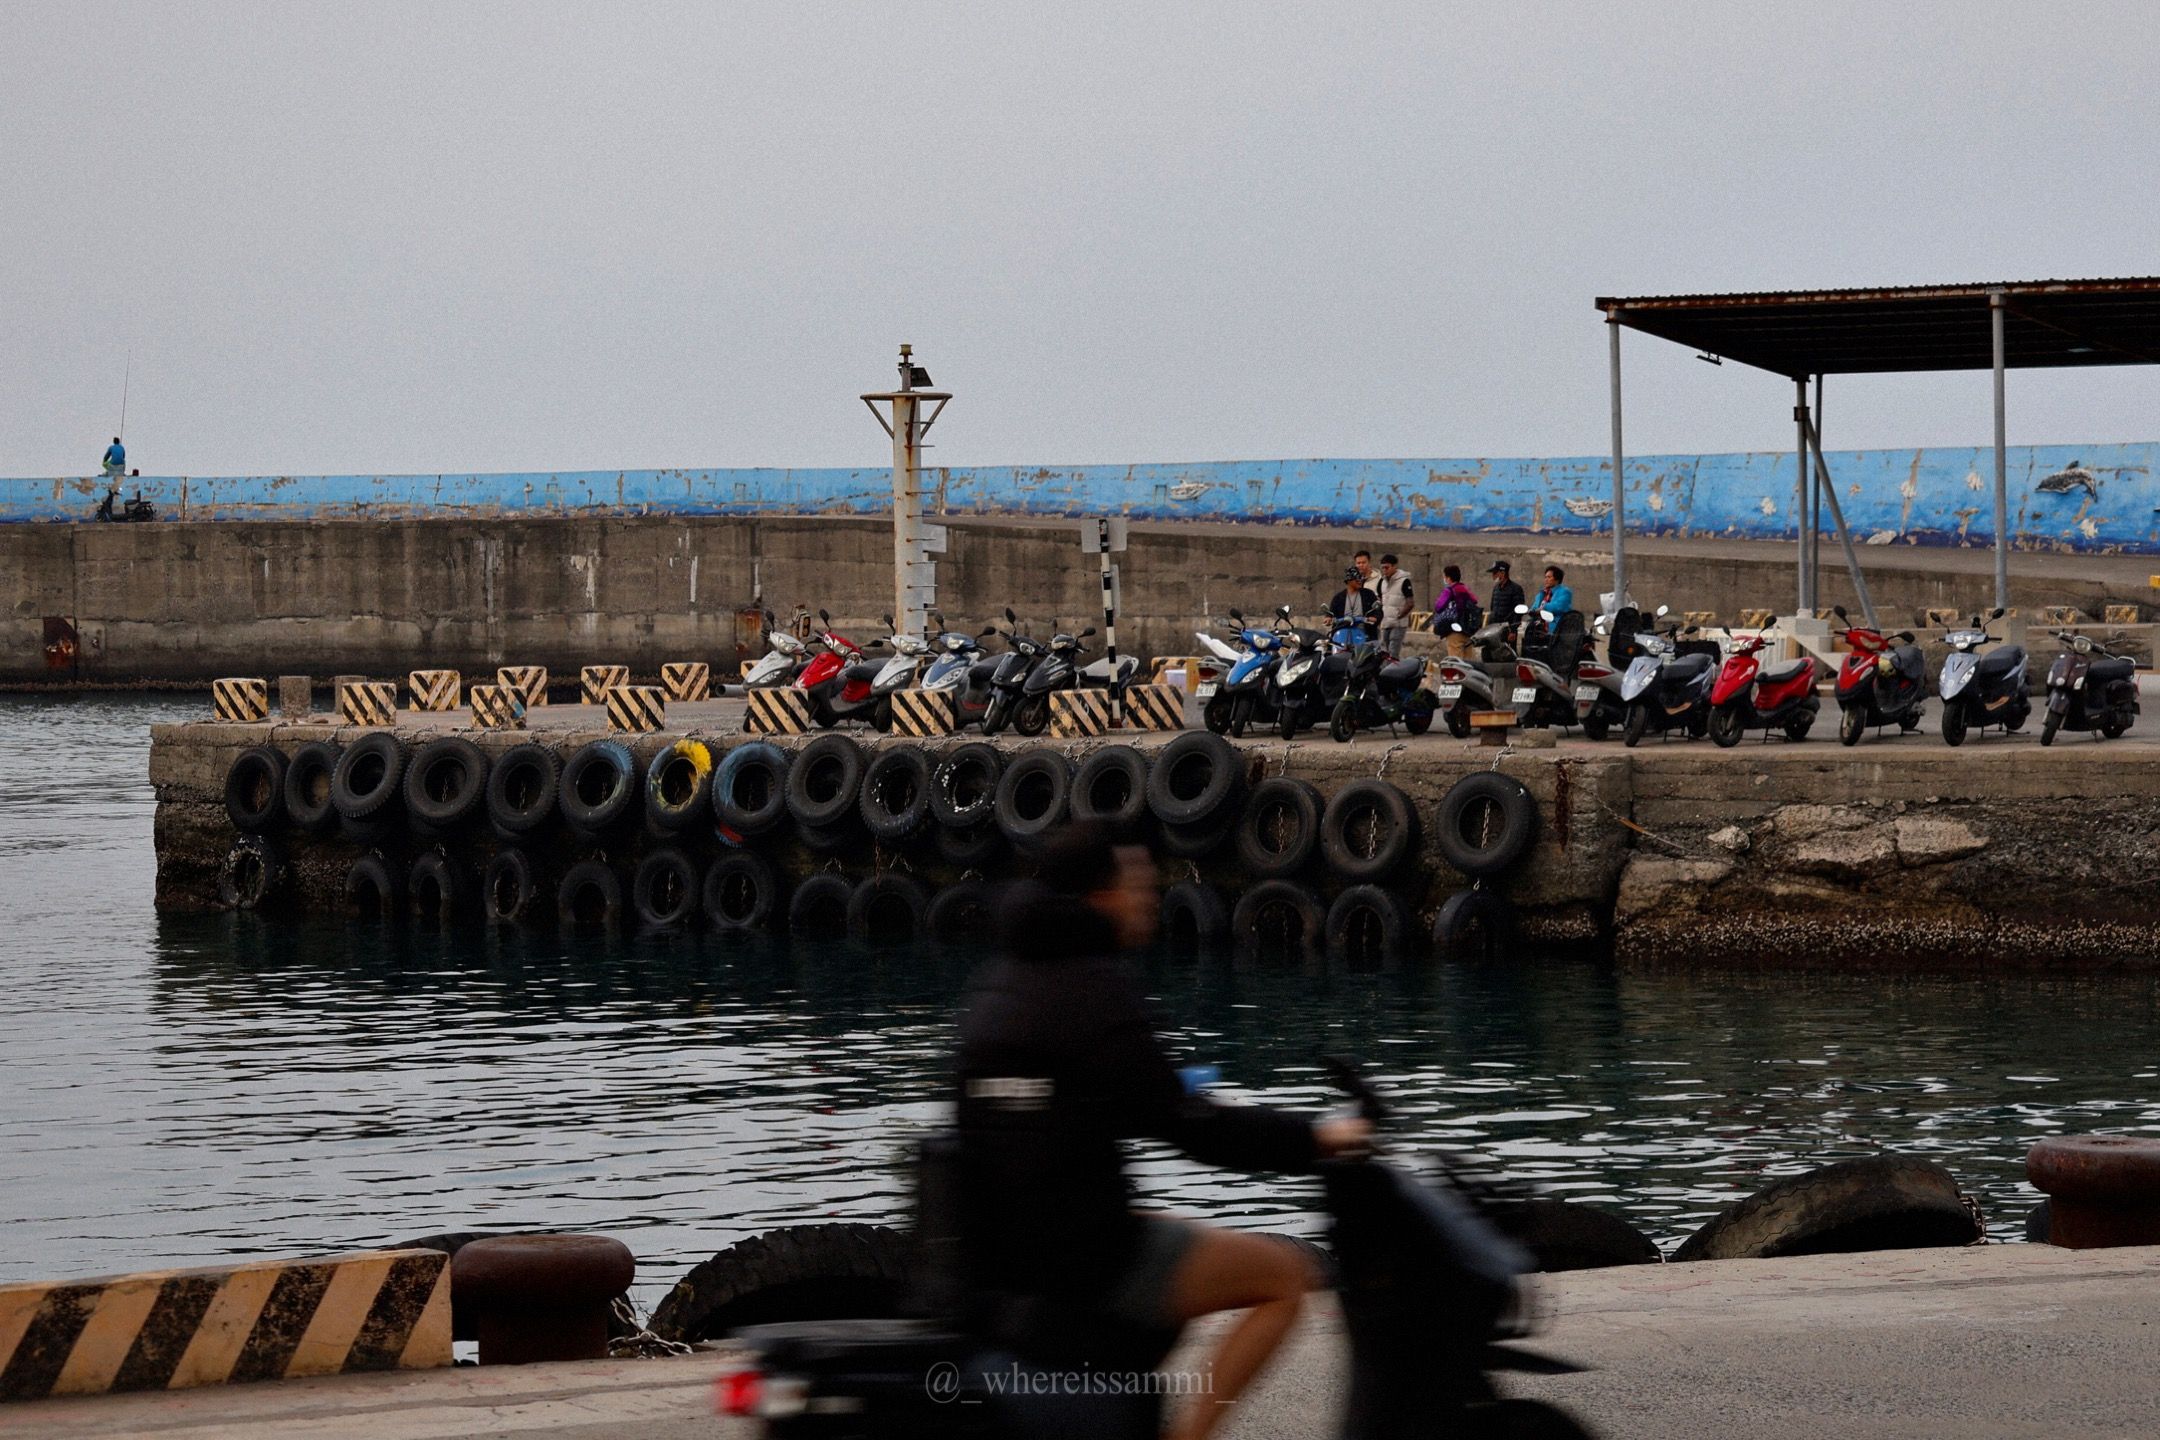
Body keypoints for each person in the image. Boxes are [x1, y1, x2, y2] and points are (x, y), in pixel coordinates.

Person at [957, 827, 1371, 1440]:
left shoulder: (1001, 983)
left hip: (1010, 1248)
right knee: (1281, 1279)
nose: (1150, 900)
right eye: (1139, 887)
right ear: (1100, 897)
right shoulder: (1094, 989)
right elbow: (1196, 1132)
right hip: (1086, 1259)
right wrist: (1317, 1138)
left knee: (1173, 1232)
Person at [1432, 564, 1479, 656]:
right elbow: (1475, 600)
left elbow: (1438, 607)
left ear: (1448, 578)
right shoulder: (1465, 588)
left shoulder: (1449, 590)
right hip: (1467, 631)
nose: (1444, 579)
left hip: (1454, 631)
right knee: (1468, 663)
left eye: (1445, 576)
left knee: (1456, 663)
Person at [1372, 554, 1414, 657]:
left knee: (1393, 652)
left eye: (1387, 567)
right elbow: (1380, 600)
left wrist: (1399, 615)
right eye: (1382, 568)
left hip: (1398, 624)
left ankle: (1392, 671)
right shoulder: (1382, 582)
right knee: (1384, 652)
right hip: (1385, 622)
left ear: (1394, 566)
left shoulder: (1404, 581)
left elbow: (1410, 602)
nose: (1384, 570)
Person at [1327, 566, 1380, 641]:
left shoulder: (1369, 594)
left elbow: (1378, 610)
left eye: (1361, 578)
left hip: (1365, 632)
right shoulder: (1338, 598)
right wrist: (1328, 617)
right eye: (1357, 579)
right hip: (1342, 631)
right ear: (1349, 581)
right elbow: (1331, 612)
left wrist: (1375, 617)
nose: (1360, 581)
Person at [1487, 560, 1525, 633]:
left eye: (1495, 573)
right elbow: (1492, 608)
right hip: (1494, 629)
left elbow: (1518, 612)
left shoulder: (1516, 589)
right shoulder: (1496, 588)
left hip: (1508, 630)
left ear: (1503, 573)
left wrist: (1513, 631)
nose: (1493, 576)